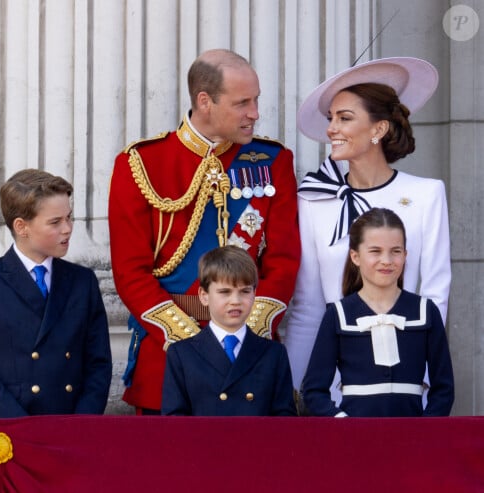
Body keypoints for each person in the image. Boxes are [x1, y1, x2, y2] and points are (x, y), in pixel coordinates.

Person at [109, 48, 300, 414]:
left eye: (256, 100)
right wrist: (192, 343)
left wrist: (246, 326)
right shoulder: (141, 163)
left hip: (250, 353)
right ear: (205, 101)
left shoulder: (273, 161)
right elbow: (129, 272)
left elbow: (285, 260)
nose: (255, 113)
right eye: (242, 102)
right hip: (169, 354)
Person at [284, 57, 451, 408]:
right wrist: (298, 389)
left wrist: (421, 381)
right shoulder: (315, 199)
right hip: (334, 388)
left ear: (379, 129)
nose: (331, 128)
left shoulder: (426, 194)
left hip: (405, 383)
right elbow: (308, 307)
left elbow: (435, 295)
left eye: (345, 118)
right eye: (331, 118)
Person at [0, 169, 112, 417]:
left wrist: (82, 423)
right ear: (22, 227)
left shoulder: (83, 282)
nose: (68, 229)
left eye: (69, 218)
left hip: (71, 428)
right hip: (11, 429)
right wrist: (20, 426)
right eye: (55, 222)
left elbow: (98, 364)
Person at [302, 208, 454, 417]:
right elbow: (313, 391)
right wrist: (342, 423)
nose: (387, 260)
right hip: (354, 440)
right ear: (355, 256)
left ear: (406, 254)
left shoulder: (426, 312)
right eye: (375, 251)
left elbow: (444, 389)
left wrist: (424, 430)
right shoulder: (338, 314)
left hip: (413, 442)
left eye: (396, 251)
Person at [161, 245, 296, 416]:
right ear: (204, 296)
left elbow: (285, 421)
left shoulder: (274, 354)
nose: (236, 301)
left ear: (255, 293)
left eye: (245, 291)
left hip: (257, 442)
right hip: (203, 442)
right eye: (225, 292)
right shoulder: (181, 354)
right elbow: (175, 421)